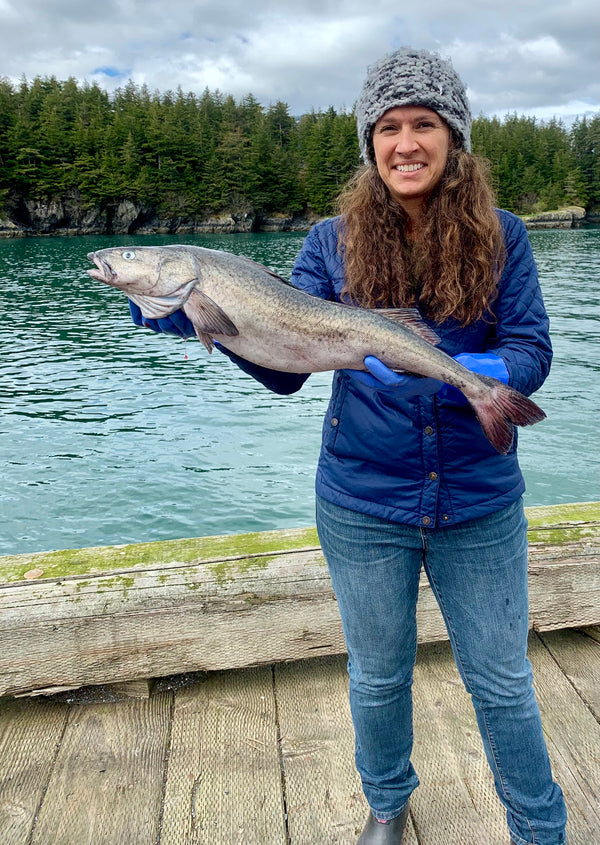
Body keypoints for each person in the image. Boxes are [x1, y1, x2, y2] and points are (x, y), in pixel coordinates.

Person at [129, 48, 567, 845]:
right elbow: (287, 376)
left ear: (453, 137)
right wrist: (212, 326)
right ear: (370, 142)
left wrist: (476, 372)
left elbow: (533, 349)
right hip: (363, 501)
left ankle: (539, 827)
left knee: (503, 682)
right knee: (377, 675)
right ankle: (388, 803)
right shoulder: (329, 243)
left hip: (479, 499)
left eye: (423, 124)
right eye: (388, 127)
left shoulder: (504, 235)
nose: (405, 142)